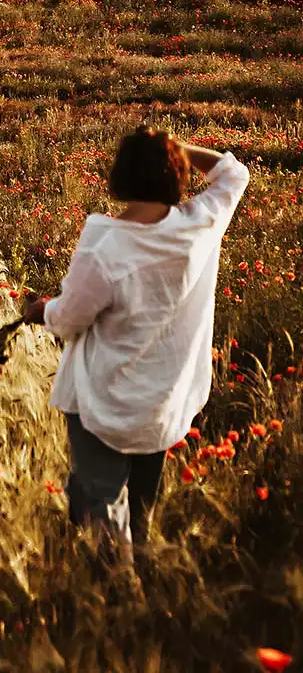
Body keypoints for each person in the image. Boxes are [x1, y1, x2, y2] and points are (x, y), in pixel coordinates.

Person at [24, 125, 249, 570]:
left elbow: (69, 320)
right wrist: (177, 150)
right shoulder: (199, 223)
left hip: (102, 399)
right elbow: (233, 174)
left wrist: (38, 311)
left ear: (120, 175)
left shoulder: (105, 244)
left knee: (100, 506)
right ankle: (141, 586)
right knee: (142, 510)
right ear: (176, 173)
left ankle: (113, 595)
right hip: (161, 399)